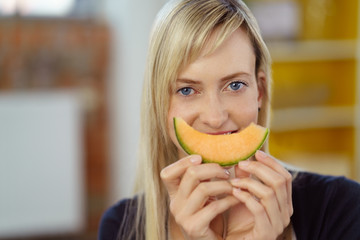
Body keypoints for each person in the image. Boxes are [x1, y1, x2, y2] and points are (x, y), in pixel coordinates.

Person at [98, 0, 360, 239]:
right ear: (159, 103)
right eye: (187, 90)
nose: (215, 118)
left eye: (235, 85)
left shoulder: (342, 206)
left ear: (259, 91)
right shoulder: (120, 227)